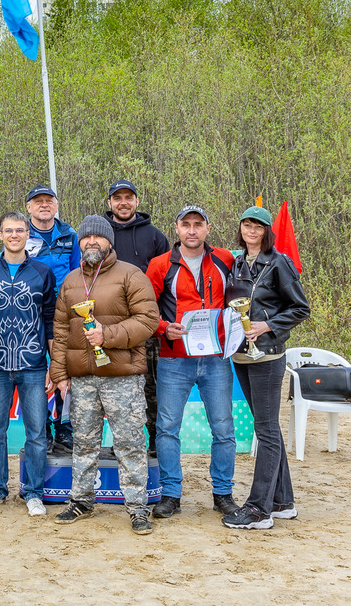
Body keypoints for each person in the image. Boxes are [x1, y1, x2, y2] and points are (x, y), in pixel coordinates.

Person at [50, 215, 160, 535]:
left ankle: (138, 507)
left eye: (98, 237)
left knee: (129, 443)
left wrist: (107, 335)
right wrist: (59, 373)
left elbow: (148, 320)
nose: (92, 242)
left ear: (109, 241)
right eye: (86, 238)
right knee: (83, 443)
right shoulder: (70, 281)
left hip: (122, 376)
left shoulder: (131, 274)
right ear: (79, 242)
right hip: (83, 378)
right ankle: (82, 500)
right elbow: (59, 330)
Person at [146, 205, 238, 520]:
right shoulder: (159, 266)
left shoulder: (225, 260)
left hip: (215, 359)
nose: (192, 231)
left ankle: (223, 493)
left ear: (208, 229)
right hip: (175, 359)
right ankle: (170, 494)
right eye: (186, 225)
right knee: (168, 428)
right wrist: (162, 328)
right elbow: (146, 307)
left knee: (224, 428)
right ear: (177, 229)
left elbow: (238, 301)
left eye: (198, 225)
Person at [222, 206, 310, 530]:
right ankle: (283, 501)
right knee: (267, 426)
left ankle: (259, 509)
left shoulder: (279, 262)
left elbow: (300, 307)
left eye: (258, 226)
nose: (252, 230)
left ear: (267, 231)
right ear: (241, 227)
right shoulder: (236, 262)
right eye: (247, 224)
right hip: (242, 356)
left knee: (267, 431)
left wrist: (267, 325)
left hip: (268, 357)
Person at [0, 211, 56, 517]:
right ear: (0, 235)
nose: (14, 235)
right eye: (8, 230)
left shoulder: (42, 272)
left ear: (27, 235)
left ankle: (33, 492)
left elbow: (49, 320)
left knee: (37, 432)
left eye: (20, 230)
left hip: (34, 364)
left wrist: (54, 362)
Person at [104, 179, 170, 455]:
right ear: (109, 203)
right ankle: (115, 443)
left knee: (152, 387)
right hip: (108, 326)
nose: (123, 202)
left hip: (146, 326)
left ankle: (156, 439)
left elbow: (167, 281)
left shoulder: (154, 236)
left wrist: (161, 323)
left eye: (128, 197)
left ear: (137, 202)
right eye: (117, 198)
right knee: (110, 385)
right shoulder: (100, 234)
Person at [25, 184, 80, 452]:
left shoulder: (70, 235)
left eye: (49, 201)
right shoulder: (20, 234)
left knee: (66, 370)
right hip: (31, 311)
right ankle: (42, 427)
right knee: (36, 371)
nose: (44, 205)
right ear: (29, 208)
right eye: (38, 201)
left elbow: (79, 274)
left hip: (65, 313)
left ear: (57, 205)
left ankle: (65, 428)